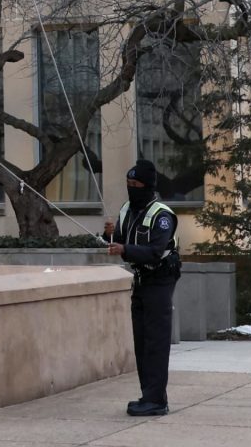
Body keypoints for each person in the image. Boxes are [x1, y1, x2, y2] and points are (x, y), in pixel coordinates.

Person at [104, 159, 181, 417]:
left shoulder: (162, 215)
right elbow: (122, 240)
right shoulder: (128, 209)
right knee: (142, 341)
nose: (131, 188)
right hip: (139, 282)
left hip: (159, 281)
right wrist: (110, 236)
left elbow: (155, 251)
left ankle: (157, 400)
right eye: (128, 184)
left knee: (156, 342)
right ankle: (147, 395)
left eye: (136, 184)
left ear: (147, 186)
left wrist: (124, 250)